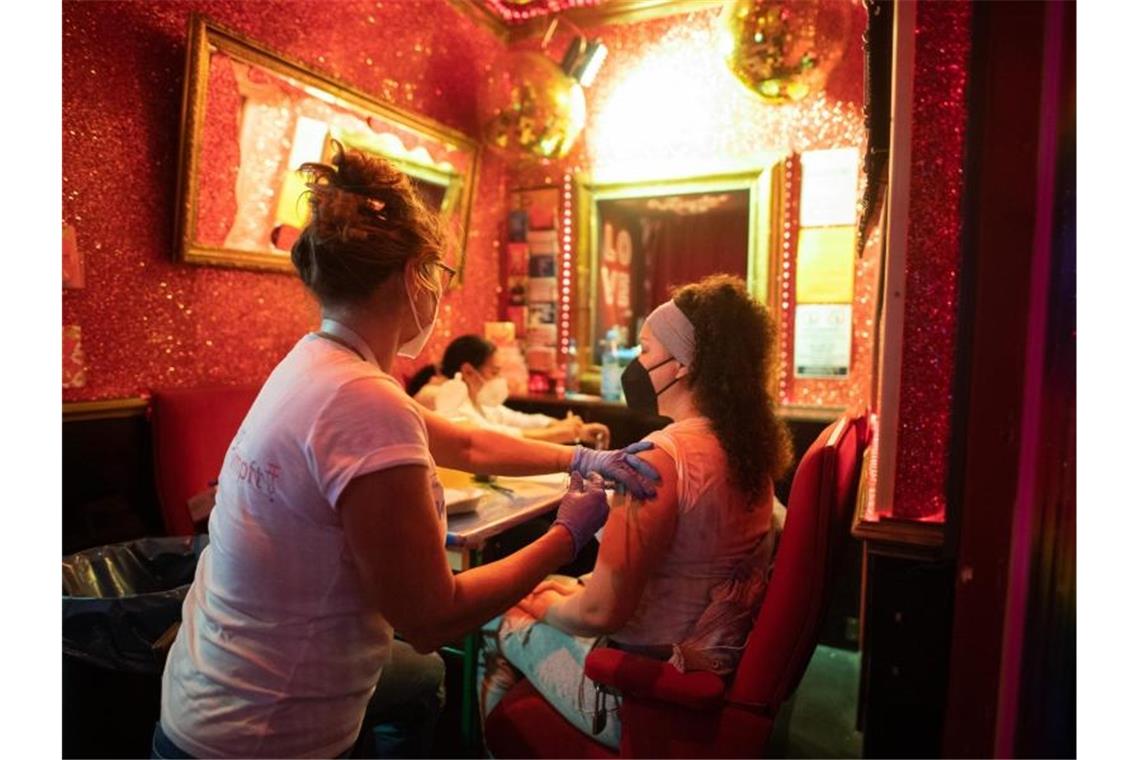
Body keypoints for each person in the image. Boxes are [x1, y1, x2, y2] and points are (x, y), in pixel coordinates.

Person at [155, 145, 660, 759]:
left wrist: (576, 459)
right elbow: (430, 621)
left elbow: (465, 440)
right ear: (415, 274)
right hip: (266, 732)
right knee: (427, 662)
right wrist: (565, 535)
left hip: (206, 694)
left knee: (419, 681)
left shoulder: (317, 361)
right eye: (441, 276)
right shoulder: (364, 402)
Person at [479, 274, 794, 749]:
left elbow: (603, 610)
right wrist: (566, 594)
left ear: (683, 363)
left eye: (645, 350)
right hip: (701, 671)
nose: (636, 364)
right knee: (551, 592)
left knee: (500, 617)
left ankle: (501, 740)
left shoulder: (655, 461)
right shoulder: (747, 450)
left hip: (637, 693)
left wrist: (546, 608)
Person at [408, 335, 611, 448]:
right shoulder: (441, 396)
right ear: (468, 371)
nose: (498, 380)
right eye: (494, 372)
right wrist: (561, 433)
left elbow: (516, 419)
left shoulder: (475, 397)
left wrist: (565, 426)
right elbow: (490, 436)